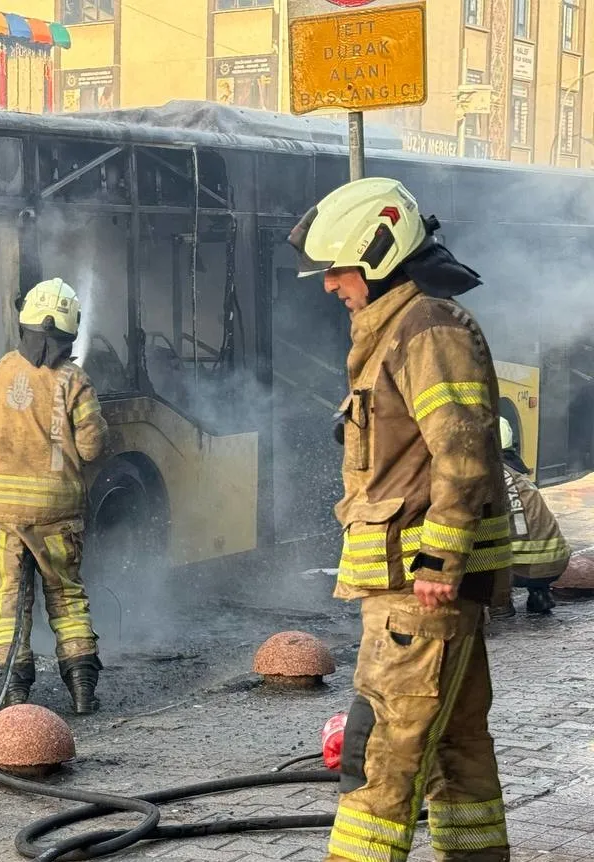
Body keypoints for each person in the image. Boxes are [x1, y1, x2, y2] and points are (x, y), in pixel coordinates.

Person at [288, 177, 512, 862]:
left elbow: (464, 453)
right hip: (422, 591)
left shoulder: (426, 330)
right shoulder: (400, 330)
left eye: (339, 270)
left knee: (380, 755)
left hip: (421, 591)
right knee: (458, 746)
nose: (330, 286)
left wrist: (440, 561)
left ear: (378, 255)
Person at [0, 277, 108, 715]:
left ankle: (13, 698)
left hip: (0, 512)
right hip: (56, 514)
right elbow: (91, 447)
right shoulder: (74, 380)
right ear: (69, 332)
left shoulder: (0, 371)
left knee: (8, 599)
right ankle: (83, 695)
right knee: (66, 595)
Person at [494, 417, 569, 617]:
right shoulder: (518, 472)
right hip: (557, 563)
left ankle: (500, 603)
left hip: (519, 570)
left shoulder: (489, 473)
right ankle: (540, 593)